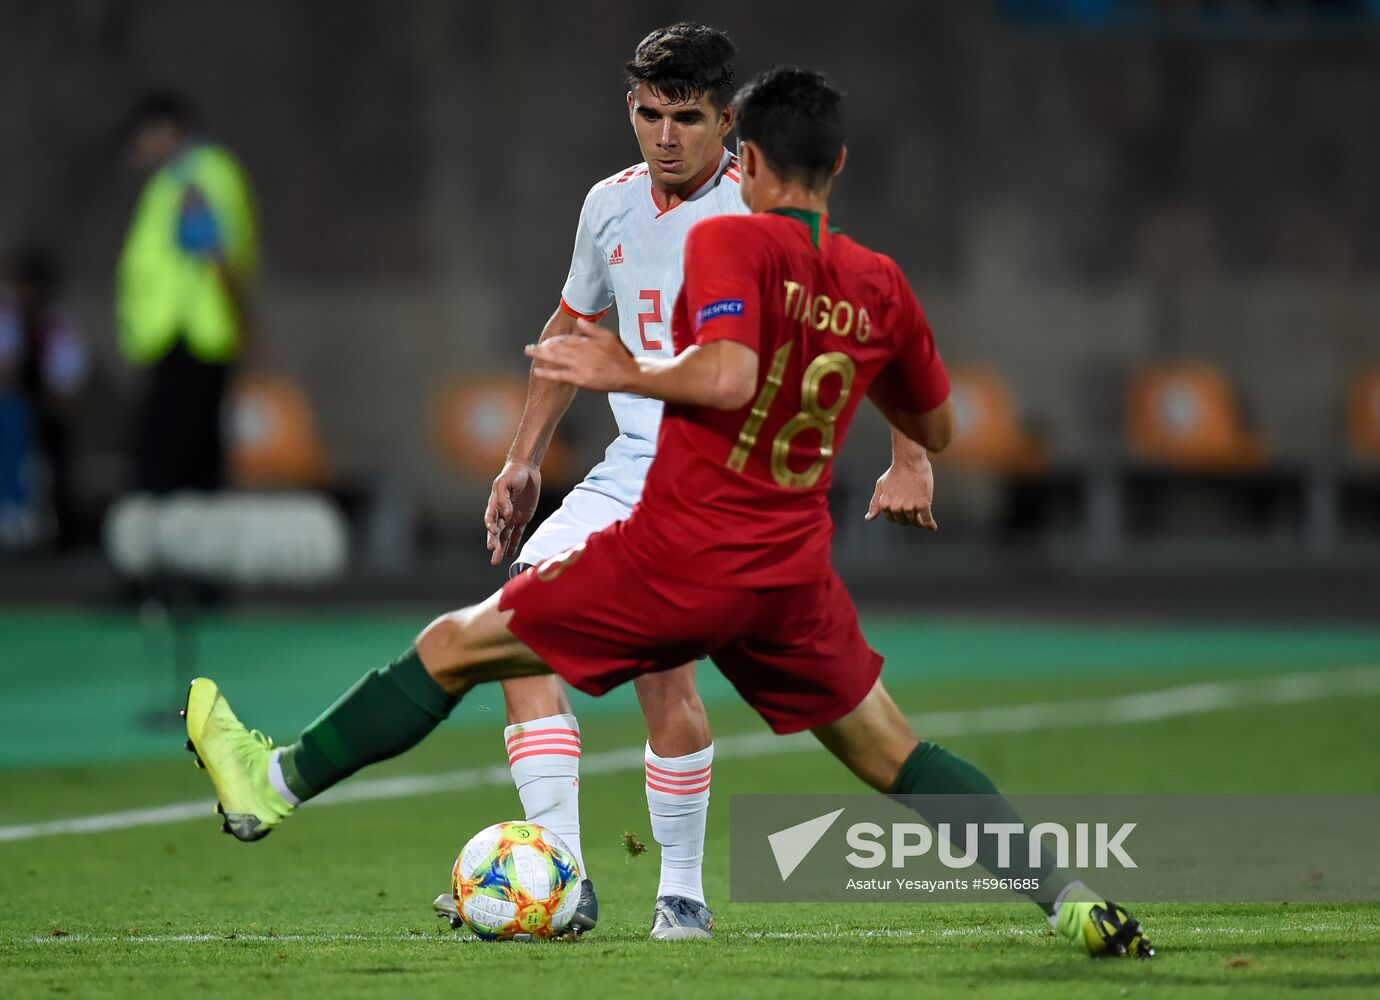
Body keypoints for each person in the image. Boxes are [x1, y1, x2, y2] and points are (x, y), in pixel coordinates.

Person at [185, 66, 1148, 957]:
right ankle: (1073, 901)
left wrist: (622, 367)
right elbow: (933, 419)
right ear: (841, 163)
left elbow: (725, 376)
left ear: (749, 157)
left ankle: (268, 786)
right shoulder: (878, 282)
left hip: (686, 553)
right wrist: (911, 462)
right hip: (791, 575)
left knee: (452, 646)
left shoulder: (730, 237)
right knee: (895, 751)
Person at [479, 22, 935, 939]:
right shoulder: (606, 206)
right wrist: (523, 457)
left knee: (663, 677)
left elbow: (861, 325)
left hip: (713, 479)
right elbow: (570, 327)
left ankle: (681, 893)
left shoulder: (759, 218)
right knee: (515, 634)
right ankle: (561, 881)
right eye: (649, 114)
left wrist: (912, 453)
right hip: (623, 470)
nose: (665, 136)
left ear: (729, 121)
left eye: (687, 117)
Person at [117, 91, 258, 494]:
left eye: (141, 134)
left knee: (167, 455)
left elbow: (215, 252)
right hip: (183, 333)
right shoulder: (185, 177)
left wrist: (246, 321)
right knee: (197, 448)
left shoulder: (191, 177)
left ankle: (168, 537)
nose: (136, 146)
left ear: (167, 130)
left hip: (189, 331)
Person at [0, 248, 88, 550]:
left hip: (44, 412)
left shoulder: (57, 327)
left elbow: (69, 384)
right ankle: (12, 508)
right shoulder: (6, 320)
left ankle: (38, 512)